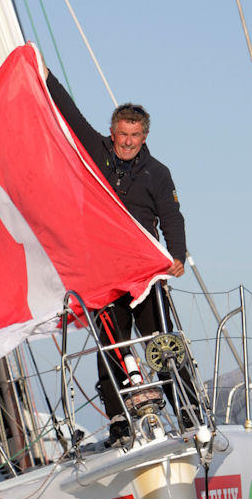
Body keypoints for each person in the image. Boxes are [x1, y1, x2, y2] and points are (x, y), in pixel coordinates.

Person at [43, 63, 197, 445]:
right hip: (104, 276)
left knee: (163, 346)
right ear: (113, 133)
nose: (127, 142)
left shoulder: (157, 173)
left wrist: (177, 253)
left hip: (144, 277)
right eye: (122, 134)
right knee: (111, 348)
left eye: (135, 136)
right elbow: (70, 113)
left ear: (145, 137)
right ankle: (119, 421)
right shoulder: (96, 150)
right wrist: (43, 74)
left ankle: (188, 411)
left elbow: (171, 216)